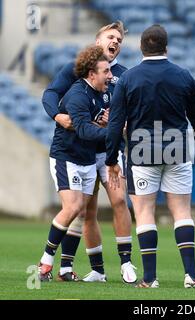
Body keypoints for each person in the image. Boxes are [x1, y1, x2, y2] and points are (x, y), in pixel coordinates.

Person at [105, 24, 195, 288]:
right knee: (182, 211)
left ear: (141, 47)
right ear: (166, 48)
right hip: (176, 151)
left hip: (141, 153)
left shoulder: (128, 79)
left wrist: (111, 160)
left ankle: (150, 278)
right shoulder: (183, 76)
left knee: (145, 213)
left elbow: (115, 124)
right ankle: (191, 275)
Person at [42, 21, 136, 283]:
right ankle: (90, 269)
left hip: (107, 150)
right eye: (110, 36)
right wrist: (58, 116)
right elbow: (50, 93)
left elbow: (129, 113)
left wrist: (121, 126)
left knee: (119, 200)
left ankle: (126, 262)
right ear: (98, 42)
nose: (115, 41)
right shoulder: (78, 70)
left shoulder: (124, 76)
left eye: (119, 39)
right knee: (84, 211)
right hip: (82, 150)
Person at [38, 46, 111, 281]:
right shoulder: (77, 94)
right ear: (91, 73)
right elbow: (84, 129)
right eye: (106, 71)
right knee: (72, 207)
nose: (110, 76)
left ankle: (66, 268)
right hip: (66, 156)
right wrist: (113, 133)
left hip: (88, 159)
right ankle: (45, 262)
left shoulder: (104, 92)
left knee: (80, 213)